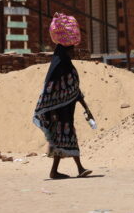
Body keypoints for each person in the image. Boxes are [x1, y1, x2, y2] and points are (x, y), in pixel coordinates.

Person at [33, 13, 94, 179]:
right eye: (71, 49)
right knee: (65, 137)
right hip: (58, 112)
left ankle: (57, 171)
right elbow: (49, 89)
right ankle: (79, 168)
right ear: (65, 49)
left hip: (67, 111)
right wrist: (51, 110)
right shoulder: (58, 66)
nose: (73, 51)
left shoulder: (67, 65)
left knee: (63, 139)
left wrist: (86, 108)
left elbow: (75, 90)